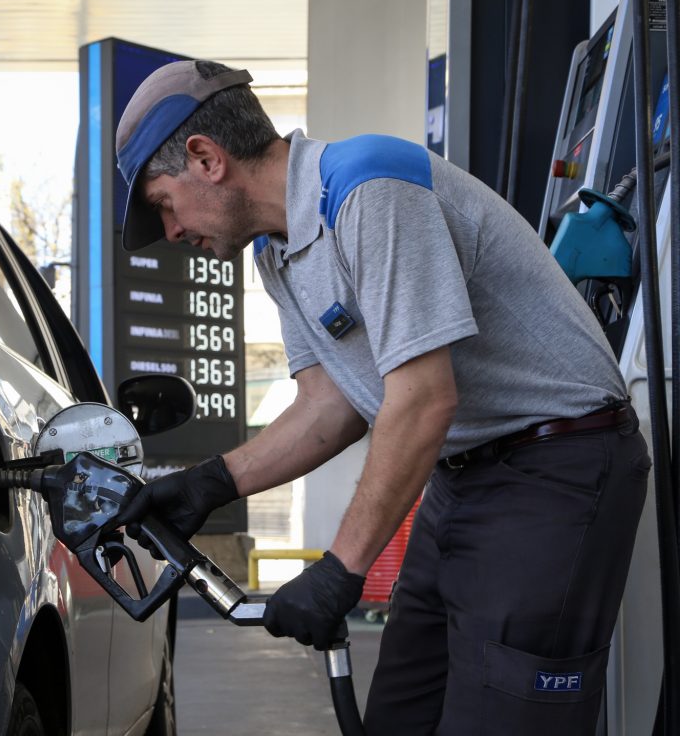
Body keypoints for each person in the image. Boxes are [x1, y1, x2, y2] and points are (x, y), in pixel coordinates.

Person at [111, 59, 651, 734]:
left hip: (557, 471)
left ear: (206, 158)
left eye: (163, 204)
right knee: (403, 715)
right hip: (463, 479)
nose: (171, 232)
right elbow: (328, 405)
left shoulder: (369, 189)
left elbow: (424, 399)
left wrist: (342, 569)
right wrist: (211, 483)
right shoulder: (278, 250)